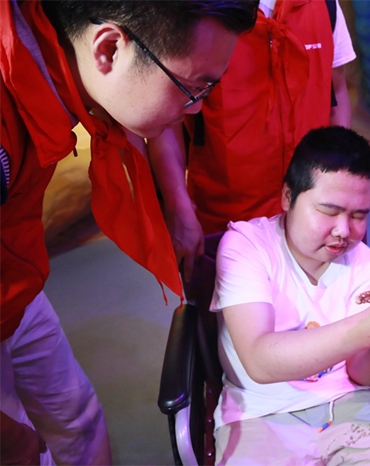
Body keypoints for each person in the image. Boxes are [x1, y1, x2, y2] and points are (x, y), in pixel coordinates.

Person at [0, 1, 258, 464]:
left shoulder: (46, 56)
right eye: (192, 88)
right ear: (109, 50)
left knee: (76, 414)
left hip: (16, 278)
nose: (197, 108)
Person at [209, 126, 370, 464]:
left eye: (359, 215)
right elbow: (258, 361)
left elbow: (359, 375)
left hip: (351, 401)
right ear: (288, 197)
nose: (344, 231)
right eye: (328, 211)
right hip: (259, 411)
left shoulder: (368, 265)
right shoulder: (246, 246)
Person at [147, 0, 356, 289]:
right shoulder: (195, 9)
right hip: (225, 220)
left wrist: (342, 187)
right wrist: (178, 207)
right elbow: (166, 119)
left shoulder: (324, 6)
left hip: (312, 212)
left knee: (318, 310)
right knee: (228, 313)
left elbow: (336, 92)